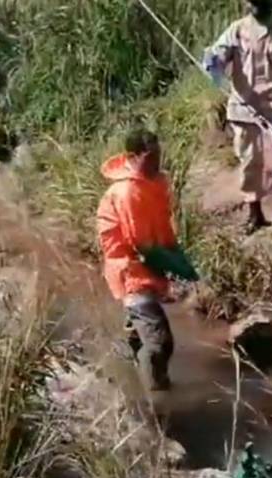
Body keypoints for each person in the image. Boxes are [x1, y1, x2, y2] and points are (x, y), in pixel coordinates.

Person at [204, 0, 272, 233]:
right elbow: (218, 56)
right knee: (249, 160)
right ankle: (254, 212)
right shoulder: (237, 30)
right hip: (244, 107)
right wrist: (213, 62)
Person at [96, 129, 178, 392]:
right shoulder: (126, 192)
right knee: (159, 343)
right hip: (130, 270)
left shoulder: (152, 183)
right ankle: (157, 396)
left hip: (143, 266)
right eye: (151, 157)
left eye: (159, 156)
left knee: (141, 332)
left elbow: (162, 226)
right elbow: (138, 240)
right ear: (133, 157)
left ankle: (127, 372)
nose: (157, 162)